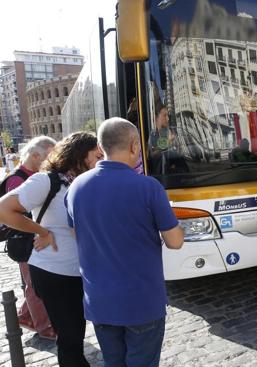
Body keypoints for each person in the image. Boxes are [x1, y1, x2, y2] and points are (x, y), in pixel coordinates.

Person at [65, 118, 184, 366]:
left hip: (100, 301)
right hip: (141, 302)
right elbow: (175, 242)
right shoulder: (149, 187)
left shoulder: (75, 186)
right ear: (134, 146)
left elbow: (77, 235)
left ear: (100, 146)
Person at [0, 132, 102, 366]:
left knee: (76, 330)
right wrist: (42, 231)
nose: (100, 158)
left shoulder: (85, 181)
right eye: (96, 154)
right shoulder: (47, 180)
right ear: (79, 155)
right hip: (53, 271)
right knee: (70, 337)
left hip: (80, 270)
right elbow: (4, 209)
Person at [4, 136, 57, 340]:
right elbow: (17, 215)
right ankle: (44, 328)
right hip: (26, 241)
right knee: (34, 285)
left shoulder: (36, 175)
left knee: (34, 282)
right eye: (48, 156)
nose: (51, 161)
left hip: (35, 239)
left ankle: (25, 316)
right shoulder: (18, 179)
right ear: (35, 155)